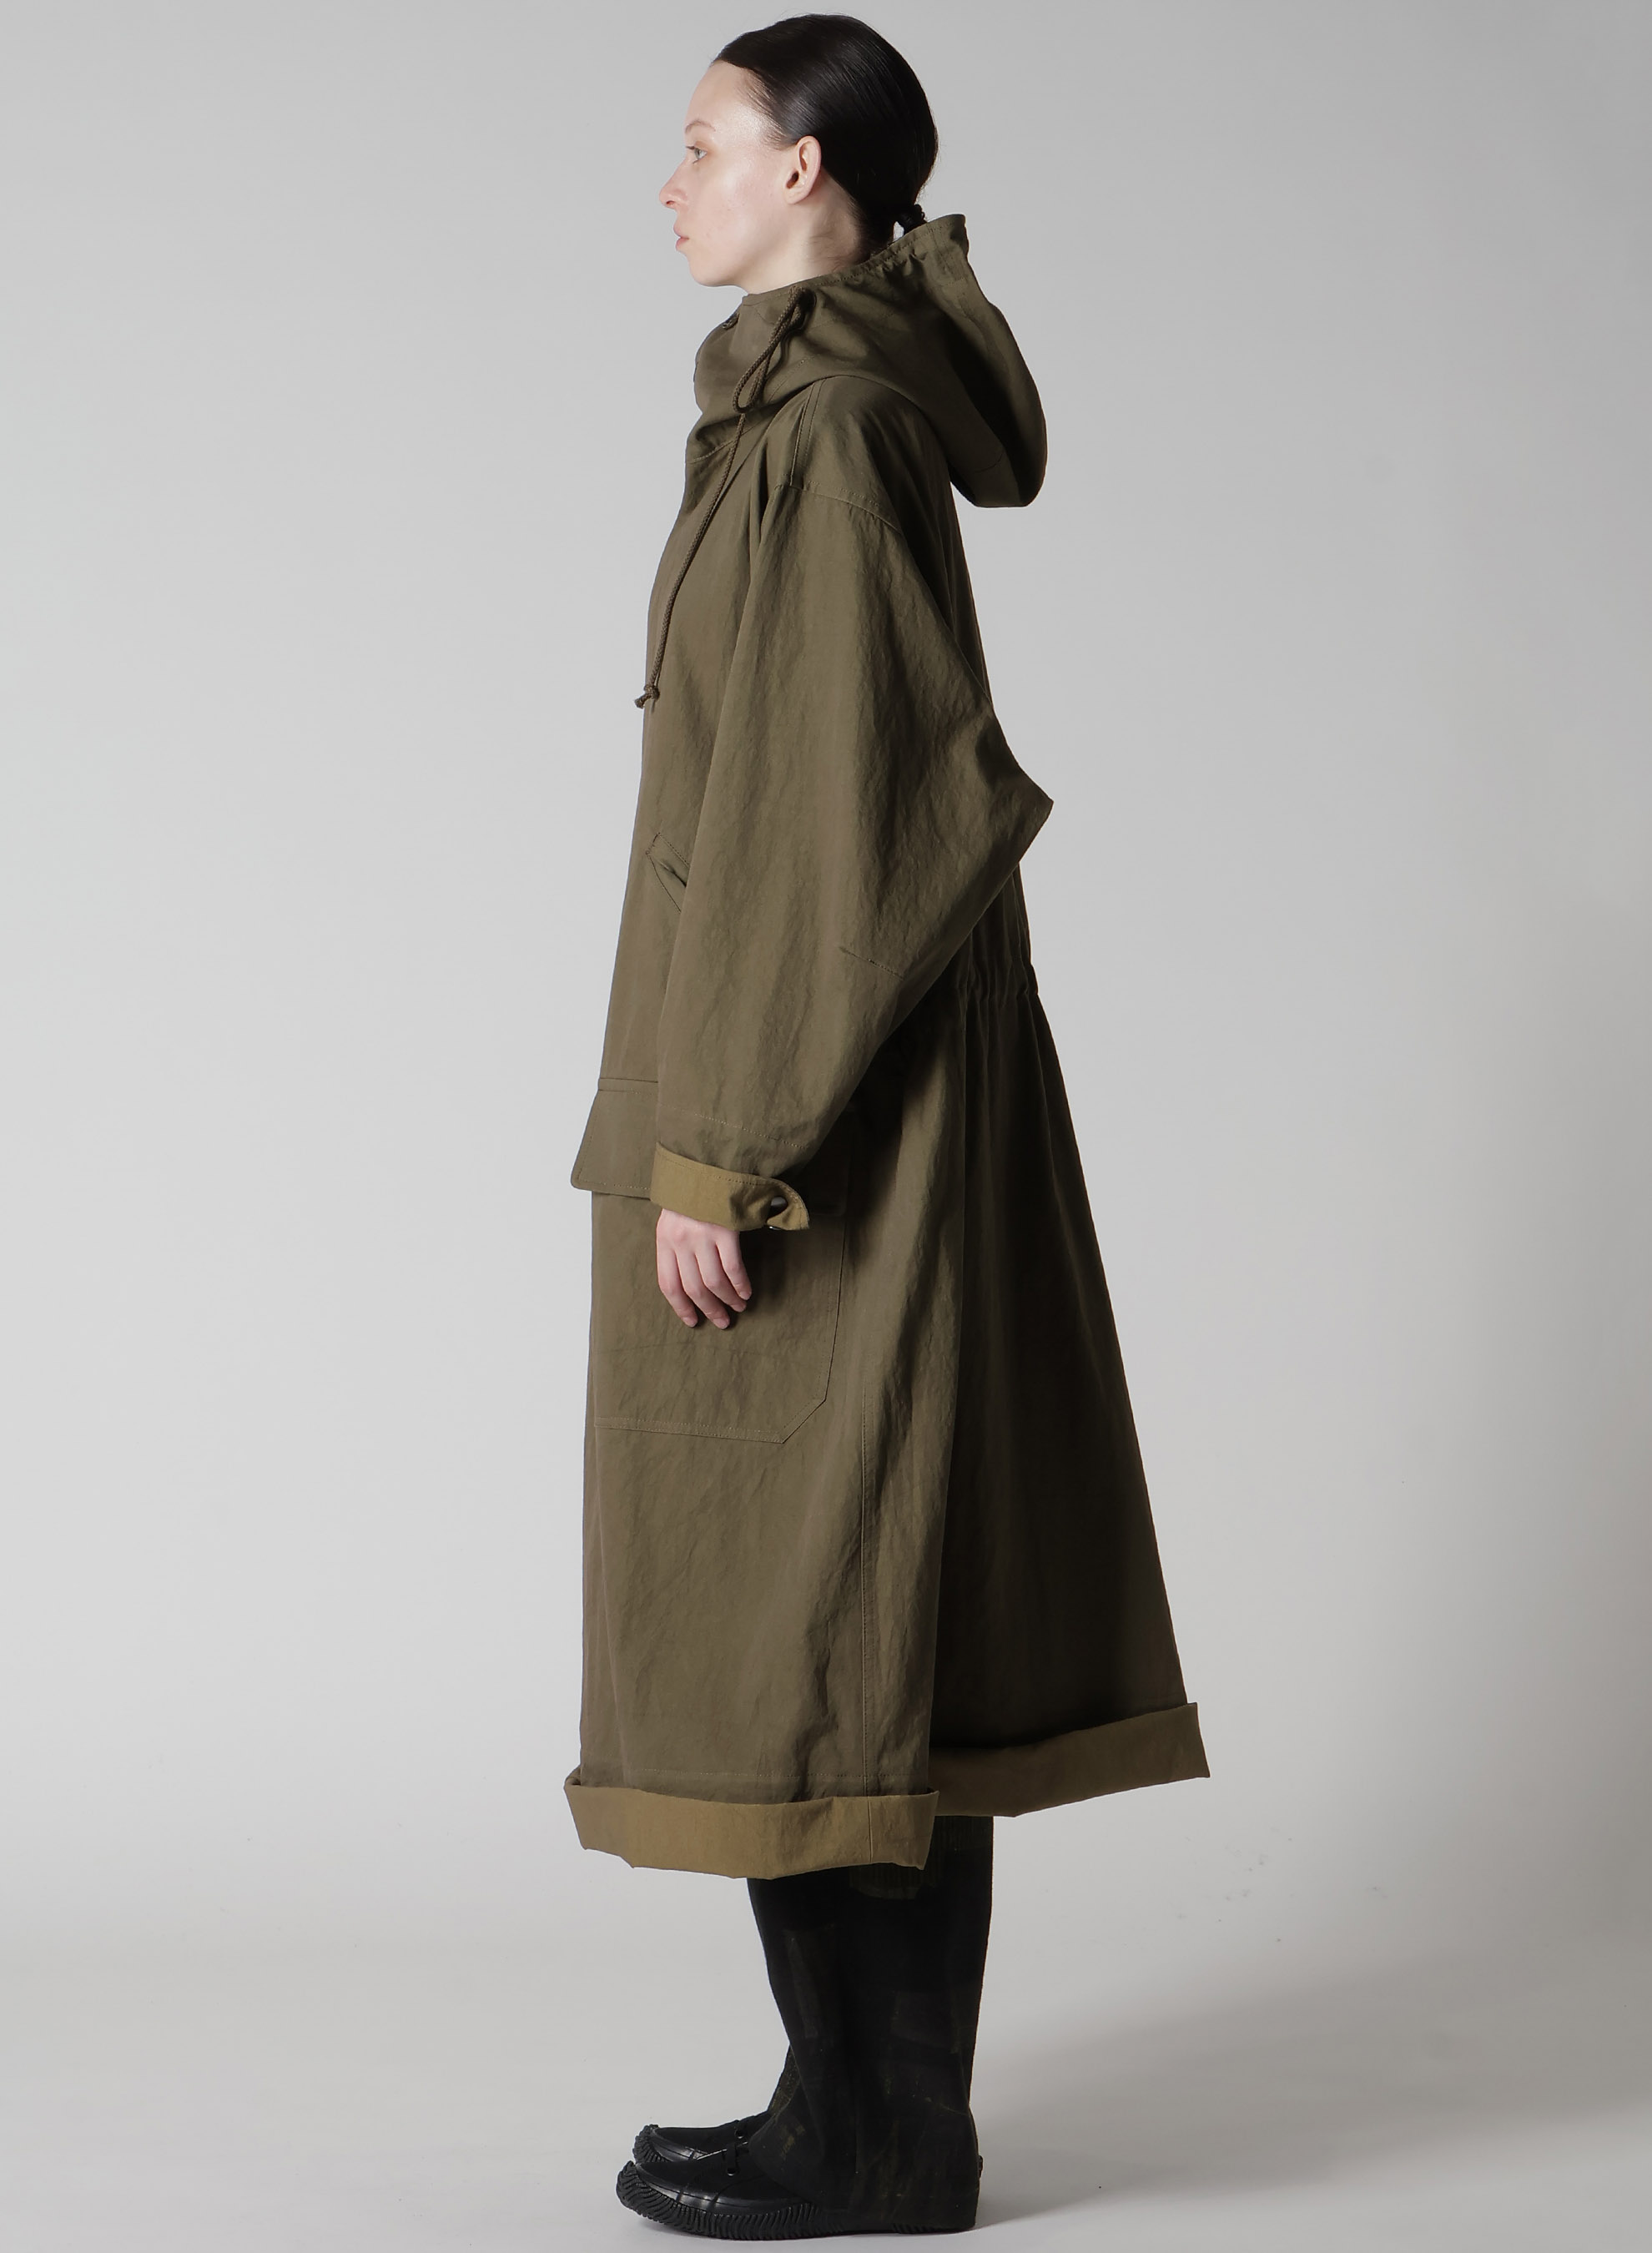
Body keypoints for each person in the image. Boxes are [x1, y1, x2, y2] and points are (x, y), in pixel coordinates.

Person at [567, 14, 1207, 2237]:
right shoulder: (795, 413)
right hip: (814, 1090)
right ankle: (852, 2105)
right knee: (825, 1606)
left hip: (822, 1114)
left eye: (701, 143)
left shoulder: (827, 432)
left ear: (810, 173)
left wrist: (724, 1145)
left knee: (835, 1604)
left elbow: (837, 829)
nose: (669, 183)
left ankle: (882, 2130)